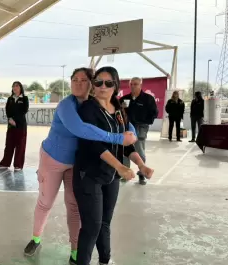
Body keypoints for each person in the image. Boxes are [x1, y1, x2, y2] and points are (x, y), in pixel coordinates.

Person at [23, 68, 138, 264]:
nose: (77, 83)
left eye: (83, 80)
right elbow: (81, 129)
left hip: (75, 163)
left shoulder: (95, 104)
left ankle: (75, 250)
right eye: (74, 79)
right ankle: (36, 238)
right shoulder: (67, 105)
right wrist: (118, 138)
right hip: (53, 160)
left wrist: (131, 134)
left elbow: (121, 120)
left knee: (74, 207)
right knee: (46, 202)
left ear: (90, 83)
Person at [74, 66, 154, 265]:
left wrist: (140, 165)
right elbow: (93, 144)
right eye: (98, 82)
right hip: (89, 175)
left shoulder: (119, 110)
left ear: (116, 86)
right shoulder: (87, 109)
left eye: (108, 83)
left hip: (111, 177)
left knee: (105, 224)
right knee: (92, 226)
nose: (103, 86)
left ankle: (105, 260)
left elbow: (127, 143)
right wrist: (120, 166)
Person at [120, 77, 158, 185]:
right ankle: (125, 173)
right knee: (125, 150)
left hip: (140, 128)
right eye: (131, 84)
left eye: (135, 84)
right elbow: (116, 111)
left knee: (140, 151)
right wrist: (121, 108)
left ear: (141, 85)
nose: (133, 86)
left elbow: (154, 113)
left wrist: (145, 122)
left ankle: (142, 174)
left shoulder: (148, 99)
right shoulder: (124, 99)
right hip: (126, 128)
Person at [0, 81, 29, 171]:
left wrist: (16, 121)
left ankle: (18, 165)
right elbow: (7, 110)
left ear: (20, 88)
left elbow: (24, 111)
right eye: (13, 86)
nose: (15, 88)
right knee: (9, 144)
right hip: (11, 125)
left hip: (20, 126)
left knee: (20, 146)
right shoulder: (10, 99)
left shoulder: (24, 98)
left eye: (17, 86)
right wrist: (10, 119)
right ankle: (5, 164)